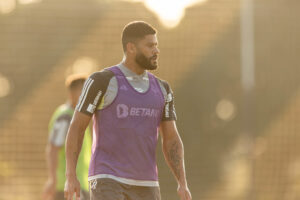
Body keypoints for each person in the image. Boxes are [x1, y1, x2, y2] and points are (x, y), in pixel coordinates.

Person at [64, 21, 192, 200]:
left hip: (147, 183)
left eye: (156, 45)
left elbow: (171, 139)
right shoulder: (102, 81)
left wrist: (182, 183)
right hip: (107, 179)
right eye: (150, 46)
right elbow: (76, 128)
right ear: (131, 48)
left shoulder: (163, 89)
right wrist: (71, 176)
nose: (156, 51)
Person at [43, 74, 91, 200]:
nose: (86, 96)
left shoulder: (80, 116)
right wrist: (52, 179)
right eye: (83, 91)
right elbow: (53, 148)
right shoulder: (65, 117)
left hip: (80, 183)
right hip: (68, 186)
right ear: (72, 93)